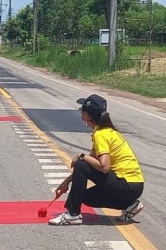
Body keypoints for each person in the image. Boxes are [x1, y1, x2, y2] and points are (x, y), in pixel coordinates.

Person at [49, 94, 145, 225]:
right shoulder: (105, 131)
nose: (81, 112)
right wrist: (66, 182)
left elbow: (104, 167)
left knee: (81, 163)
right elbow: (88, 165)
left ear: (87, 115)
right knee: (84, 195)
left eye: (82, 110)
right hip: (133, 186)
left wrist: (82, 156)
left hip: (127, 184)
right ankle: (130, 205)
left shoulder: (101, 135)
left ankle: (72, 214)